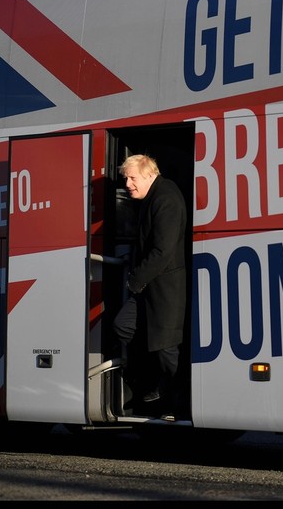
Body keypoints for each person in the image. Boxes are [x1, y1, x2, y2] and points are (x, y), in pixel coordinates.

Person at [112, 154, 187, 420]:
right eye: (126, 179)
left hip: (164, 289)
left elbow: (162, 251)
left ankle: (177, 402)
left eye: (132, 178)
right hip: (148, 289)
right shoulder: (150, 197)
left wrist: (135, 279)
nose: (128, 184)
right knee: (124, 326)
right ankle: (152, 388)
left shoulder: (166, 198)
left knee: (167, 348)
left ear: (149, 173)